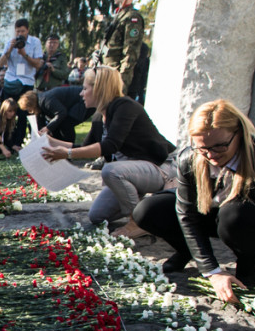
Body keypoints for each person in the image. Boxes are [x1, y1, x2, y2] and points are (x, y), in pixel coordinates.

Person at [133, 99, 255, 303]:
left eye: (220, 146)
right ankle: (187, 251)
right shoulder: (190, 158)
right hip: (218, 213)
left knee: (234, 215)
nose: (211, 155)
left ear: (239, 132)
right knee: (148, 210)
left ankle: (247, 270)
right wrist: (213, 272)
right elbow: (187, 215)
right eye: (202, 148)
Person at [41, 66, 174, 237]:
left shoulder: (125, 106)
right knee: (97, 215)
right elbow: (86, 146)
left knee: (110, 171)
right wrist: (49, 141)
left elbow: (110, 145)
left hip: (160, 167)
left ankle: (139, 222)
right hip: (132, 172)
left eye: (85, 88)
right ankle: (145, 207)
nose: (81, 94)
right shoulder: (98, 117)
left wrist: (66, 154)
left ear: (98, 88)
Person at [101, 0, 145, 93]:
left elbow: (130, 53)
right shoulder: (118, 16)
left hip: (116, 77)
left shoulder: (132, 18)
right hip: (107, 73)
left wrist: (122, 84)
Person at [19, 87, 95, 144]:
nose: (30, 111)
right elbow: (40, 121)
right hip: (76, 103)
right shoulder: (40, 101)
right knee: (58, 125)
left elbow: (61, 113)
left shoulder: (46, 101)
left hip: (82, 101)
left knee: (66, 124)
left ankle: (68, 150)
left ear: (32, 104)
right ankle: (60, 148)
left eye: (29, 109)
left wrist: (48, 128)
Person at [0, 18, 42, 100]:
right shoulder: (10, 42)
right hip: (11, 81)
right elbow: (0, 63)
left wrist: (24, 55)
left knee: (23, 111)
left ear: (27, 30)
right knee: (8, 110)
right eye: (18, 31)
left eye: (22, 31)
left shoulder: (35, 42)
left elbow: (38, 64)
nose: (20, 34)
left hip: (27, 82)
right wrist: (10, 49)